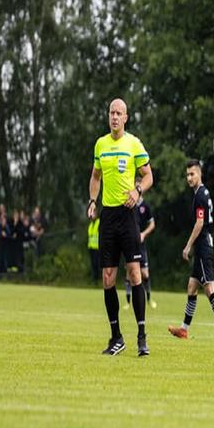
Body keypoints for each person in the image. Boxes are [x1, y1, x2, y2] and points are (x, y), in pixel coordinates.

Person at [87, 98, 154, 357]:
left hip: (128, 216)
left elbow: (149, 175)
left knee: (135, 273)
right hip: (108, 217)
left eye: (119, 113)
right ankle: (116, 337)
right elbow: (95, 176)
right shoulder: (100, 144)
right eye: (111, 112)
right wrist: (93, 201)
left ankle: (141, 336)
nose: (114, 117)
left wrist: (137, 190)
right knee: (107, 279)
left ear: (126, 118)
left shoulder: (133, 144)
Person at [168, 160, 214, 341]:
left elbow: (200, 223)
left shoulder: (200, 196)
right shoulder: (202, 193)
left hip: (203, 247)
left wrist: (187, 246)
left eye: (192, 174)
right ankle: (184, 330)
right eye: (187, 175)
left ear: (199, 174)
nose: (189, 178)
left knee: (210, 288)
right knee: (192, 287)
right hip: (202, 246)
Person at [125, 179, 157, 309]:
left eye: (139, 187)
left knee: (145, 274)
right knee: (129, 273)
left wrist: (143, 234)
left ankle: (149, 299)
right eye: (135, 187)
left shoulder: (145, 206)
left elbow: (153, 224)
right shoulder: (129, 204)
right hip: (130, 243)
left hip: (141, 245)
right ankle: (127, 302)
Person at [87, 207, 100, 285]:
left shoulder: (99, 223)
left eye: (93, 213)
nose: (92, 215)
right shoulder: (91, 224)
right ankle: (94, 280)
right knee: (93, 265)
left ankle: (97, 280)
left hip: (98, 248)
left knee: (97, 264)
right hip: (91, 247)